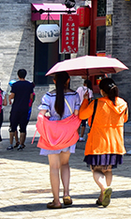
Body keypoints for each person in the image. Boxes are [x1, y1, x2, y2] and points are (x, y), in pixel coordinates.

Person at [79, 77, 128, 208]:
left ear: (101, 91)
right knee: (108, 170)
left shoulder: (96, 103)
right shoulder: (123, 103)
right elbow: (125, 119)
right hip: (116, 143)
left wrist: (85, 100)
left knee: (96, 169)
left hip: (98, 142)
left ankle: (104, 189)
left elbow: (82, 115)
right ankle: (102, 196)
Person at [36, 71, 81, 209]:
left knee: (54, 167)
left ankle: (56, 200)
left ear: (54, 81)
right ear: (68, 80)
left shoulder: (48, 96)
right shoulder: (75, 95)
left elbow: (41, 115)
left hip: (52, 134)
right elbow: (77, 114)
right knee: (65, 164)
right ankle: (66, 193)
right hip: (68, 133)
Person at [7, 68, 35, 150]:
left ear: (18, 75)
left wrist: (9, 98)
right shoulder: (29, 85)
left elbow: (12, 96)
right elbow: (31, 97)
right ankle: (21, 144)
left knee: (13, 126)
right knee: (23, 127)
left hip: (16, 108)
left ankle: (11, 144)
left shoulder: (15, 85)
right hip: (25, 108)